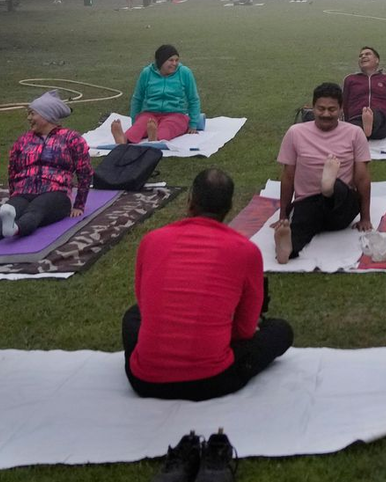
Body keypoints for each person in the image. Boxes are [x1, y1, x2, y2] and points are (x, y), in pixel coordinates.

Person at [122, 167, 293, 401]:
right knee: (280, 331)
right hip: (211, 380)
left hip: (145, 381)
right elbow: (244, 330)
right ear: (229, 207)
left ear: (190, 201)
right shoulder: (245, 251)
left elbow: (144, 304)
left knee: (132, 317)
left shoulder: (152, 240)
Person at [0, 91, 92, 247]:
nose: (29, 118)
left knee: (37, 209)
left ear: (46, 115)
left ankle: (16, 229)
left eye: (32, 113)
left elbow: (85, 172)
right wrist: (13, 196)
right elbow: (13, 170)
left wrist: (79, 204)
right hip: (25, 190)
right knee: (12, 209)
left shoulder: (72, 139)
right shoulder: (23, 140)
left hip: (56, 193)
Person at [273, 82, 371, 263]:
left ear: (341, 109)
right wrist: (283, 216)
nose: (326, 114)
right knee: (300, 227)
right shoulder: (296, 133)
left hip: (342, 206)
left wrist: (365, 218)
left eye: (332, 109)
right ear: (312, 107)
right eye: (321, 109)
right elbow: (288, 176)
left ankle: (330, 186)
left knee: (338, 188)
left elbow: (362, 177)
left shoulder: (355, 133)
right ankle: (287, 250)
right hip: (309, 203)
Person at [112, 44, 202, 144]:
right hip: (150, 113)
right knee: (140, 125)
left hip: (175, 114)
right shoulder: (147, 73)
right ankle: (123, 139)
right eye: (171, 60)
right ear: (161, 61)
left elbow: (193, 99)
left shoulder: (185, 72)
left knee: (168, 127)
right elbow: (137, 98)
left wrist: (193, 123)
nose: (174, 63)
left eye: (176, 60)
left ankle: (155, 138)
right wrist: (135, 121)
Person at [342, 45, 386, 139]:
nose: (363, 56)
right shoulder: (350, 79)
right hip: (356, 119)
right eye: (361, 56)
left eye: (367, 54)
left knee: (374, 113)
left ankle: (366, 130)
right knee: (356, 124)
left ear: (377, 60)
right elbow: (344, 105)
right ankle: (364, 131)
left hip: (381, 122)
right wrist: (344, 125)